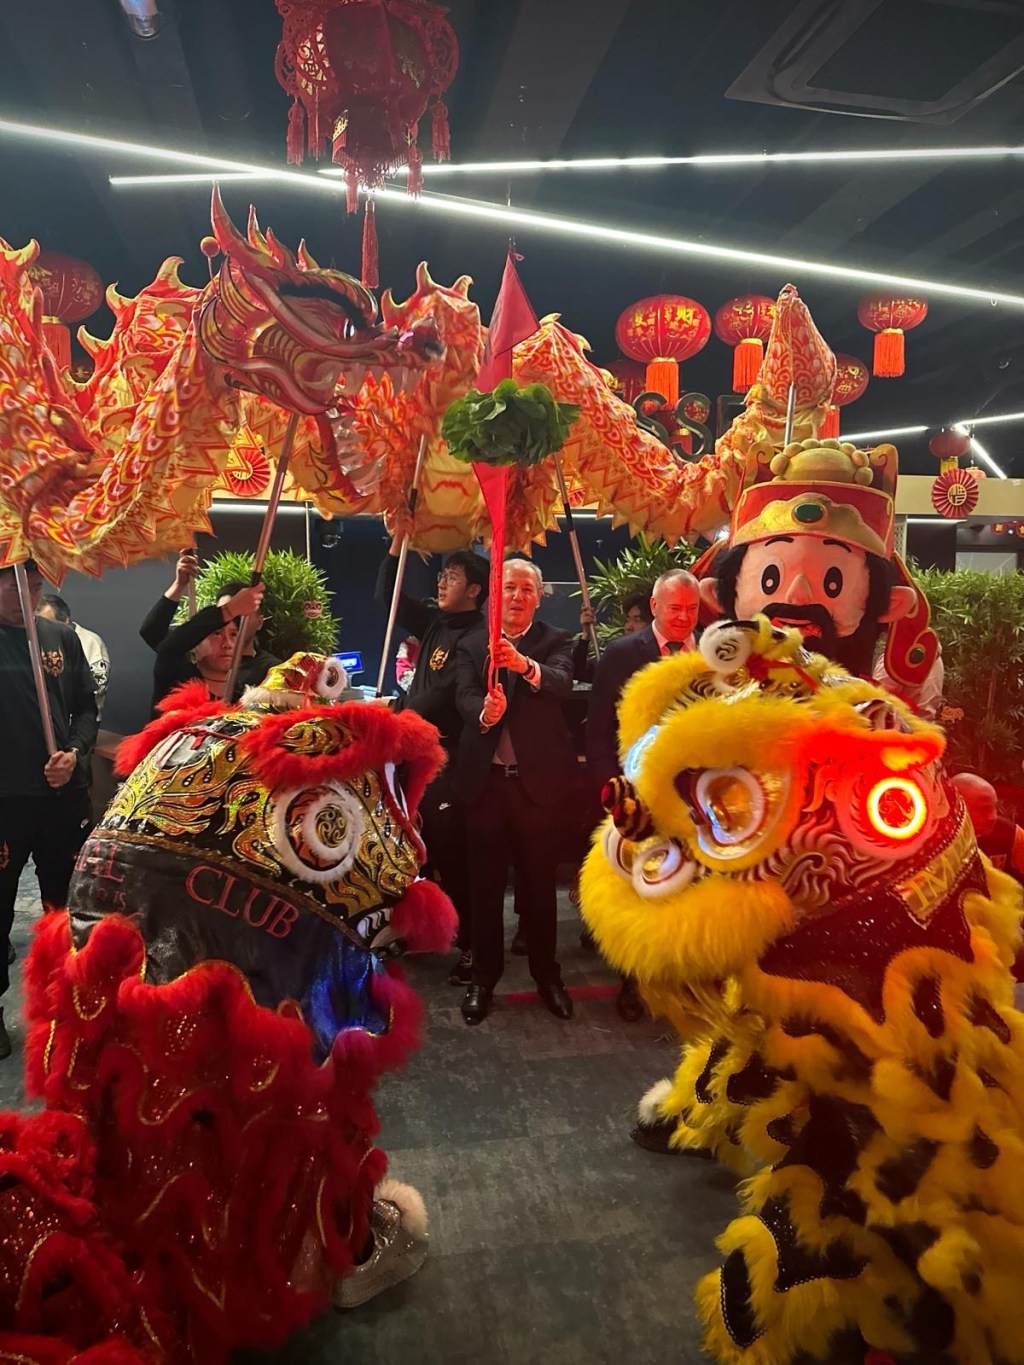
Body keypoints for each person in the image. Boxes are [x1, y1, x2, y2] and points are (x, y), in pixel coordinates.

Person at [454, 558, 576, 1025]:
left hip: (536, 787)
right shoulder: (472, 642)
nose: (518, 596)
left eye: (527, 589)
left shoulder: (556, 640)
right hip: (485, 785)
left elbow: (561, 683)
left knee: (539, 887)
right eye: (509, 587)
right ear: (495, 594)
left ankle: (547, 975)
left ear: (539, 598)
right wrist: (484, 713)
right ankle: (483, 978)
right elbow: (463, 695)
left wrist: (523, 665)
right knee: (484, 888)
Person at [585, 569, 701, 1021]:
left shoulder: (712, 653)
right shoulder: (622, 654)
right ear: (654, 607)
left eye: (692, 609)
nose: (684, 618)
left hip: (695, 794)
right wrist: (610, 789)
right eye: (675, 608)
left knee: (690, 887)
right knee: (640, 885)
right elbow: (597, 729)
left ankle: (687, 978)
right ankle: (634, 982)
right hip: (637, 792)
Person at [375, 537, 489, 986]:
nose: (442, 583)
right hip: (414, 757)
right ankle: (427, 930)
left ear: (474, 590)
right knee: (415, 850)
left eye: (453, 578)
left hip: (448, 763)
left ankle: (473, 946)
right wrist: (395, 545)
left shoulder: (476, 637)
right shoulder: (436, 622)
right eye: (442, 576)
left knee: (452, 856)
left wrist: (396, 714)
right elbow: (387, 599)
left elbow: (443, 696)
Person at [0, 559, 98, 1059]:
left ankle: (67, 998)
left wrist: (75, 753)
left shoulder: (60, 637)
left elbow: (86, 708)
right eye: (16, 586)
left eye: (35, 586)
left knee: (67, 903)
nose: (27, 595)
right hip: (5, 804)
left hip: (63, 797)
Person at [141, 552, 271, 711]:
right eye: (216, 633)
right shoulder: (179, 676)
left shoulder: (248, 692)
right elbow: (162, 641)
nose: (227, 644)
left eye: (233, 634)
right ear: (195, 642)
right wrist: (180, 584)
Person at [37, 593, 110, 718]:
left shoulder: (90, 643)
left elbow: (97, 688)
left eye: (48, 624)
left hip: (79, 719)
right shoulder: (37, 639)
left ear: (65, 621)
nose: (44, 628)